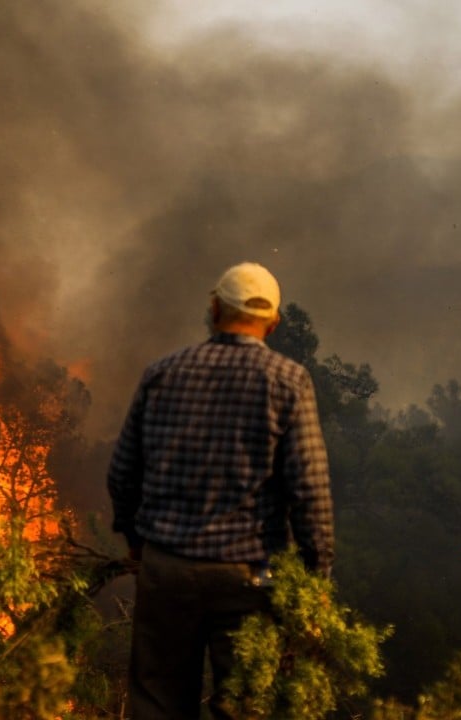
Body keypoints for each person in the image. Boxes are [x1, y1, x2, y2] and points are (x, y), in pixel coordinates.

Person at [106, 261, 334, 720]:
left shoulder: (162, 373)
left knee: (157, 706)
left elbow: (122, 472)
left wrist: (135, 543)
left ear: (214, 308)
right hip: (248, 579)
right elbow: (309, 492)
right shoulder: (287, 381)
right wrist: (316, 582)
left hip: (166, 570)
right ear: (274, 322)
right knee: (247, 706)